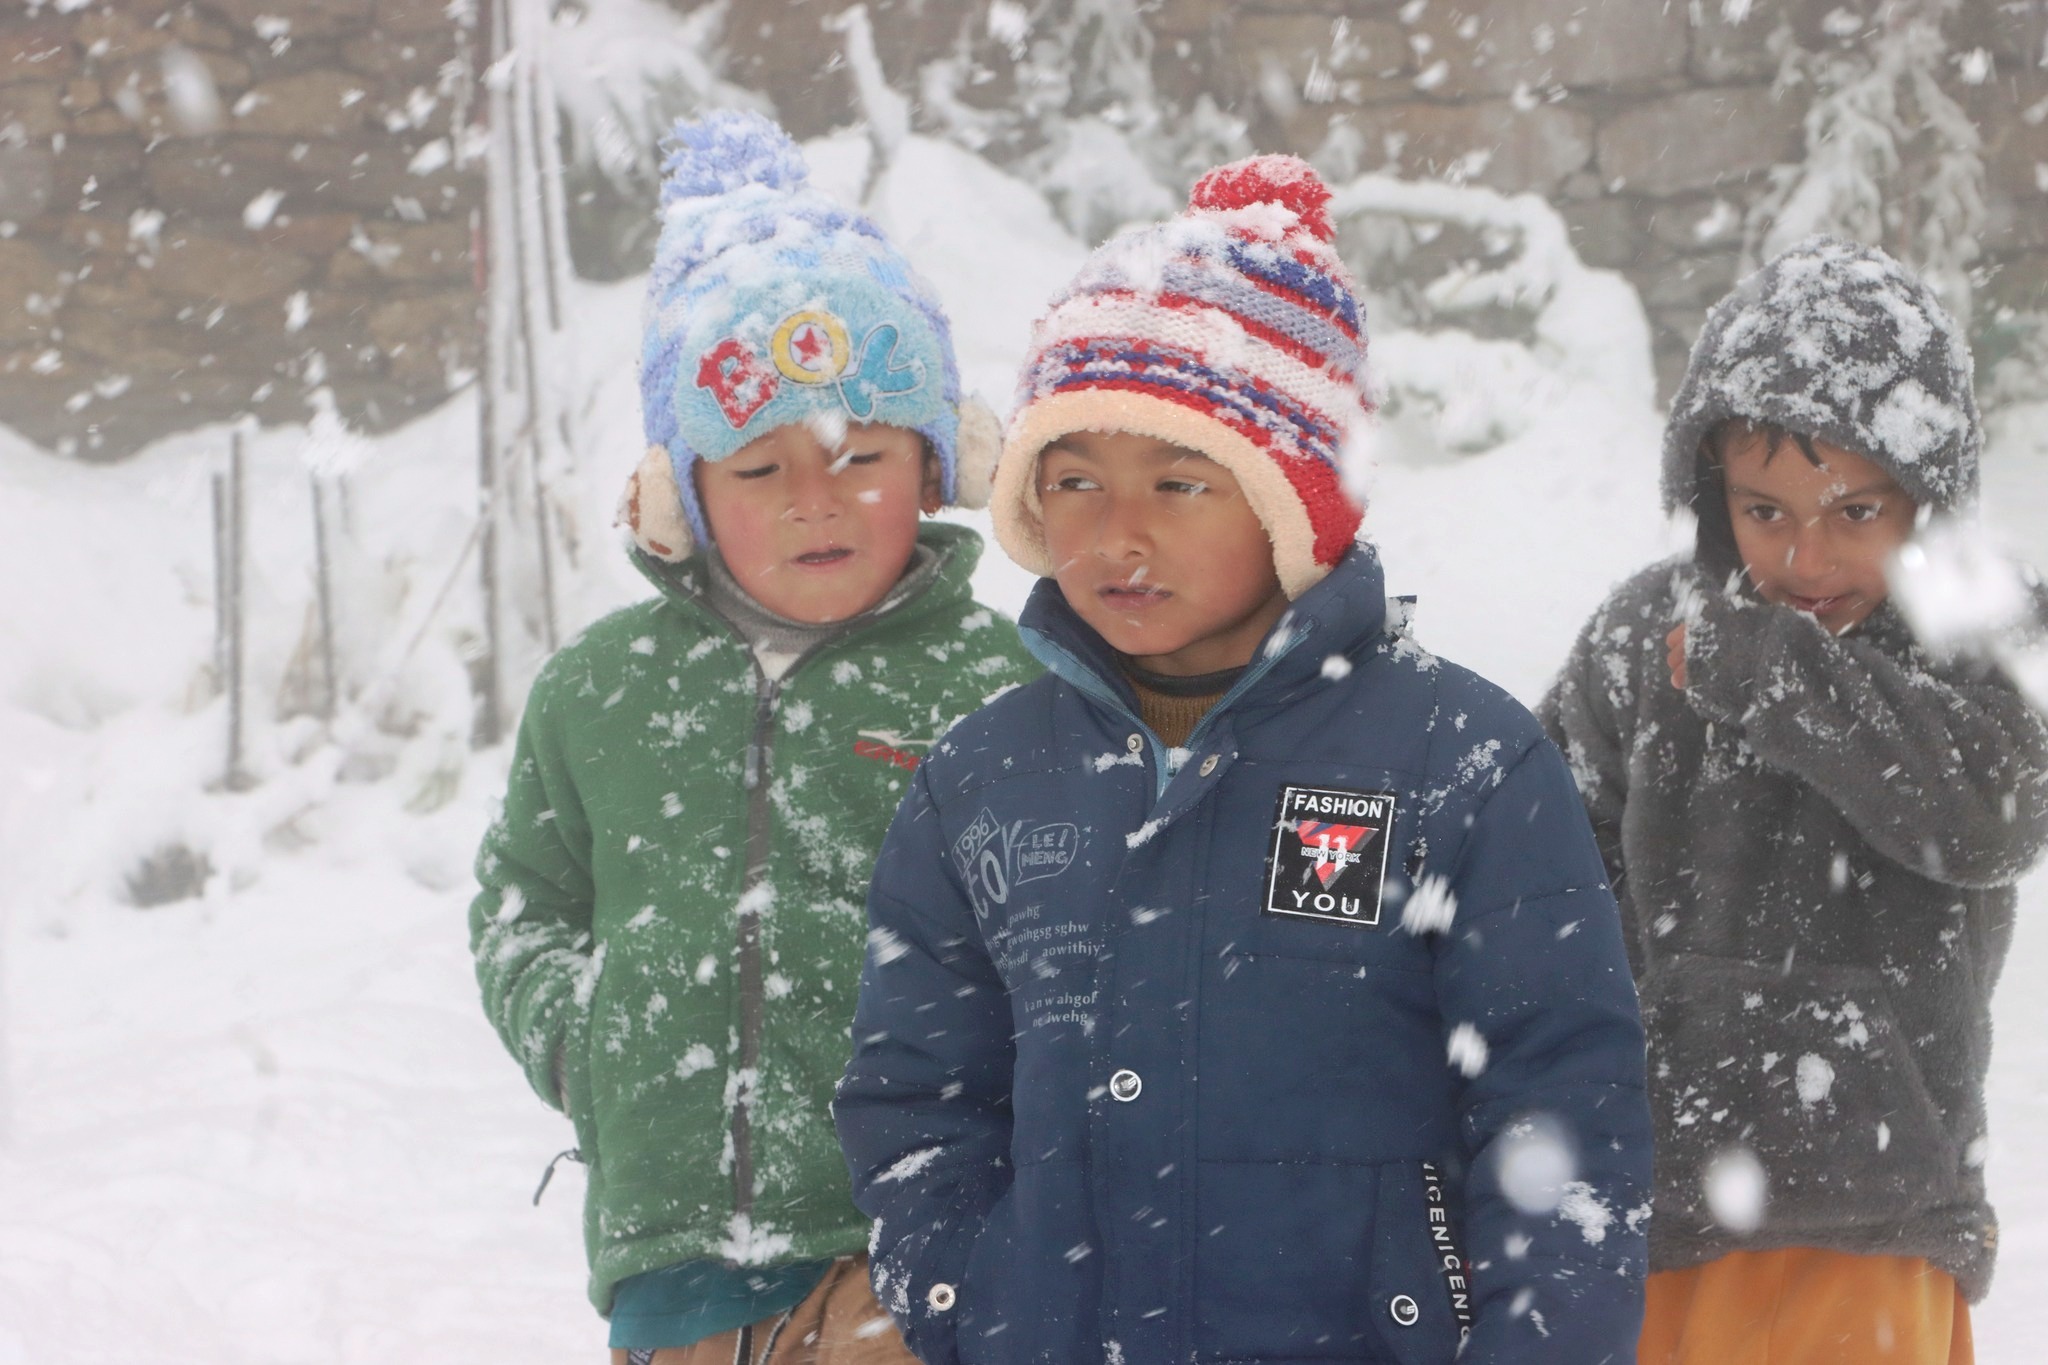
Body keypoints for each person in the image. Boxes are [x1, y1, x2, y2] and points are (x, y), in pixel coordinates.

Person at [834, 154, 1651, 1365]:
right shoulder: (982, 780)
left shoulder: (1457, 760)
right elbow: (917, 1101)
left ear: (1289, 504)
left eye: (1178, 482)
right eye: (1072, 480)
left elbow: (1562, 1108)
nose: (1117, 531)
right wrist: (970, 1301)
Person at [468, 110, 1038, 1365]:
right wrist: (586, 1038)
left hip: (911, 1244)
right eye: (756, 469)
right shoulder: (600, 691)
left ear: (937, 464)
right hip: (670, 1263)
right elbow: (523, 904)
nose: (812, 502)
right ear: (681, 492)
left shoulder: (1001, 689)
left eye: (860, 455)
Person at [1540, 235, 2048, 1365]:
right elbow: (1540, 874)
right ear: (1709, 492)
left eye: (1855, 513)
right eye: (1763, 511)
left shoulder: (1981, 628)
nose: (1805, 558)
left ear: (1929, 499)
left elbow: (1991, 813)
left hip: (1882, 1211)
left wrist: (1773, 672)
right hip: (1663, 1205)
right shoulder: (1646, 634)